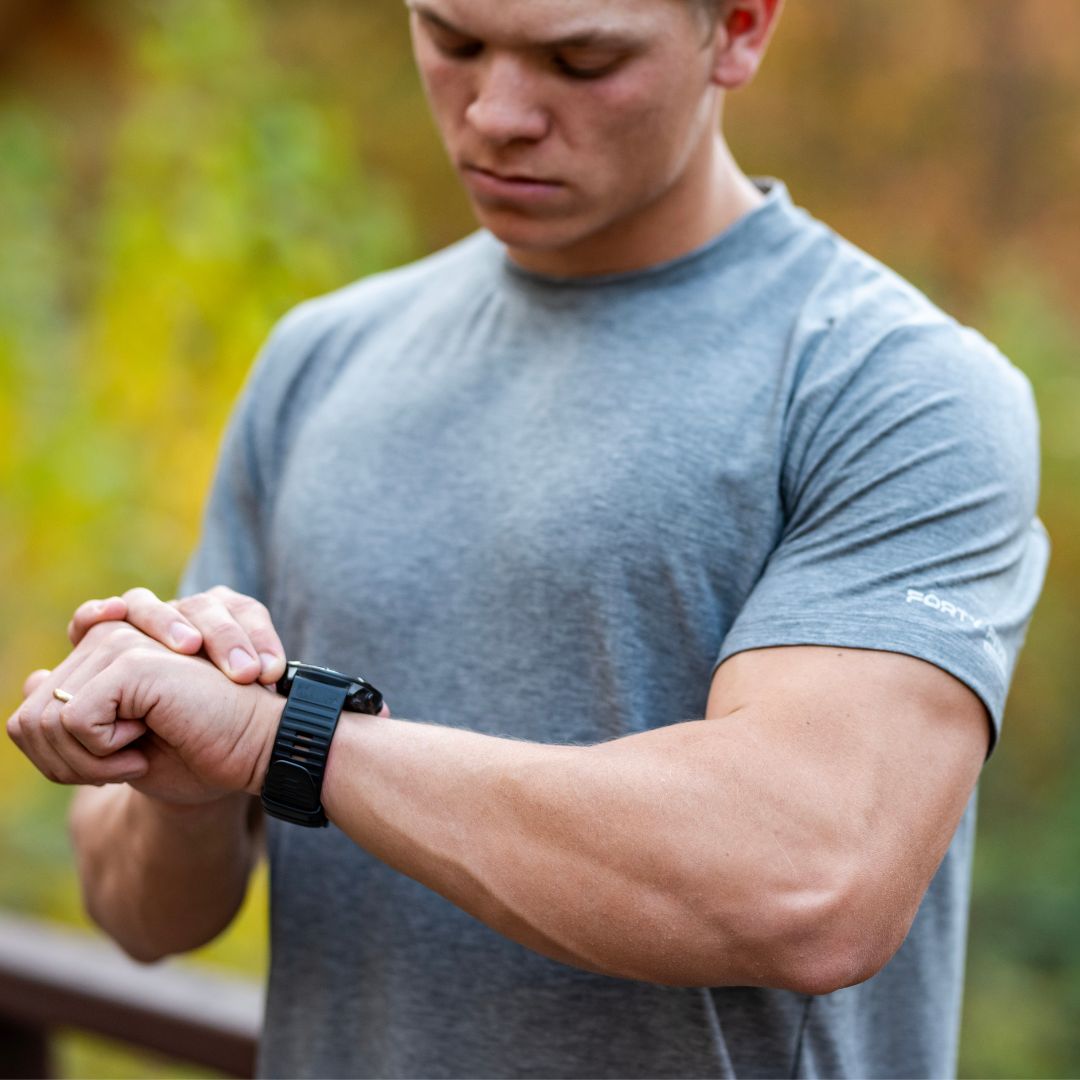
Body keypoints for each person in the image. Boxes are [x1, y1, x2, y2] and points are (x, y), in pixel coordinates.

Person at [6, 0, 1048, 1076]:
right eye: (452, 40)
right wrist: (183, 784)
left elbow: (812, 881)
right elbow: (138, 914)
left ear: (738, 29)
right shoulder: (321, 360)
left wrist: (286, 742)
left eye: (581, 59)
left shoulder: (892, 385)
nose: (496, 113)